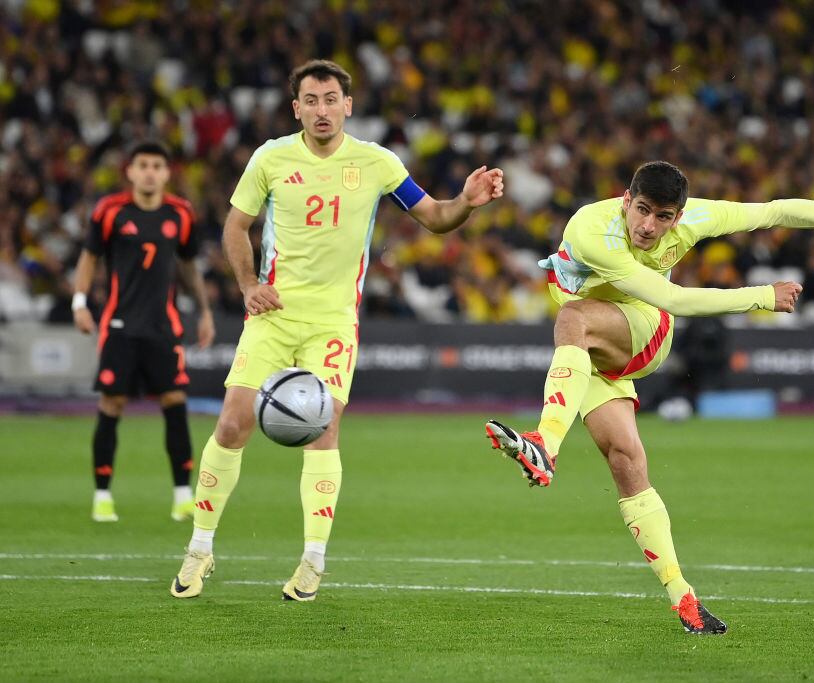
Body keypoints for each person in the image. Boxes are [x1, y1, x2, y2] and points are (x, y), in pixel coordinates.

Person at [484, 160, 814, 635]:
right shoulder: (591, 229)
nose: (648, 226)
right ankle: (684, 598)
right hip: (596, 350)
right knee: (627, 462)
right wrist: (761, 294)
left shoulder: (694, 219)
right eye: (642, 210)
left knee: (572, 318)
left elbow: (770, 212)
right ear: (626, 200)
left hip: (641, 330)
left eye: (662, 217)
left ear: (678, 217)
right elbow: (679, 297)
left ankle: (544, 443)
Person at [170, 60, 503, 601]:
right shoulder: (270, 158)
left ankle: (313, 561)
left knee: (323, 430)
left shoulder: (377, 162)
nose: (322, 109)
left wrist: (466, 201)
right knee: (232, 424)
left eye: (331, 99)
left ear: (347, 106)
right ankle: (200, 548)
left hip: (333, 322)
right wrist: (248, 283)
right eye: (311, 100)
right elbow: (236, 226)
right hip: (273, 314)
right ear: (295, 107)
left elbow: (436, 217)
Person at [71, 141, 215, 523]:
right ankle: (102, 495)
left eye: (157, 165)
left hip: (163, 327)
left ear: (167, 173)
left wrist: (203, 312)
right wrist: (79, 302)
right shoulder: (110, 211)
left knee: (174, 401)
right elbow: (89, 258)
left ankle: (183, 496)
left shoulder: (181, 214)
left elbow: (187, 267)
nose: (150, 171)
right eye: (143, 165)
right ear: (130, 172)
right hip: (119, 326)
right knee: (112, 405)